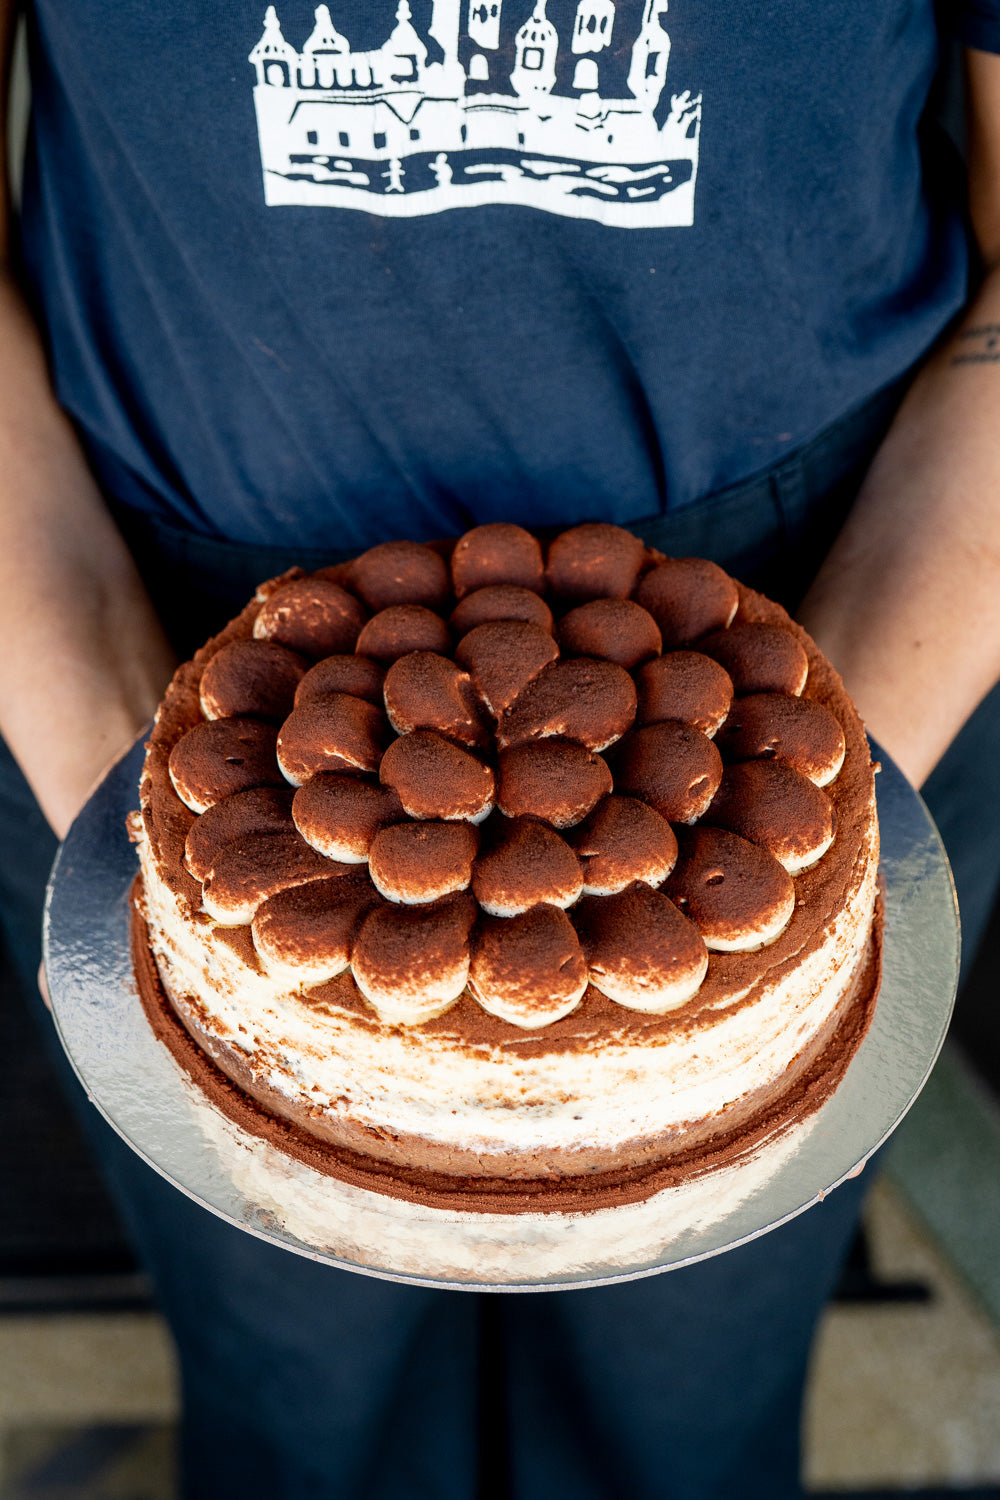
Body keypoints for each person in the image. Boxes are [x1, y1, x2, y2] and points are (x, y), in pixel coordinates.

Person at [2, 3, 1000, 1495]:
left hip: (816, 640)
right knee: (296, 1384)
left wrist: (798, 840)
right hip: (162, 647)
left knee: (683, 1384)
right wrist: (186, 874)